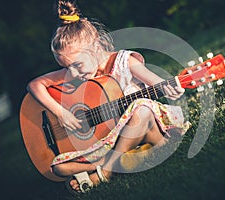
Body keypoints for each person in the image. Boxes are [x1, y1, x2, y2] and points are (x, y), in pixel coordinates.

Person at [27, 0, 190, 195]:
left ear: (95, 49)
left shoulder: (124, 62)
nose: (73, 73)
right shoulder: (76, 71)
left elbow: (155, 81)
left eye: (77, 65)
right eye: (66, 68)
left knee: (141, 109)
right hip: (110, 139)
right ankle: (129, 157)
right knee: (57, 167)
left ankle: (107, 170)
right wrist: (60, 113)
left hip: (141, 125)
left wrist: (172, 86)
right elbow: (34, 85)